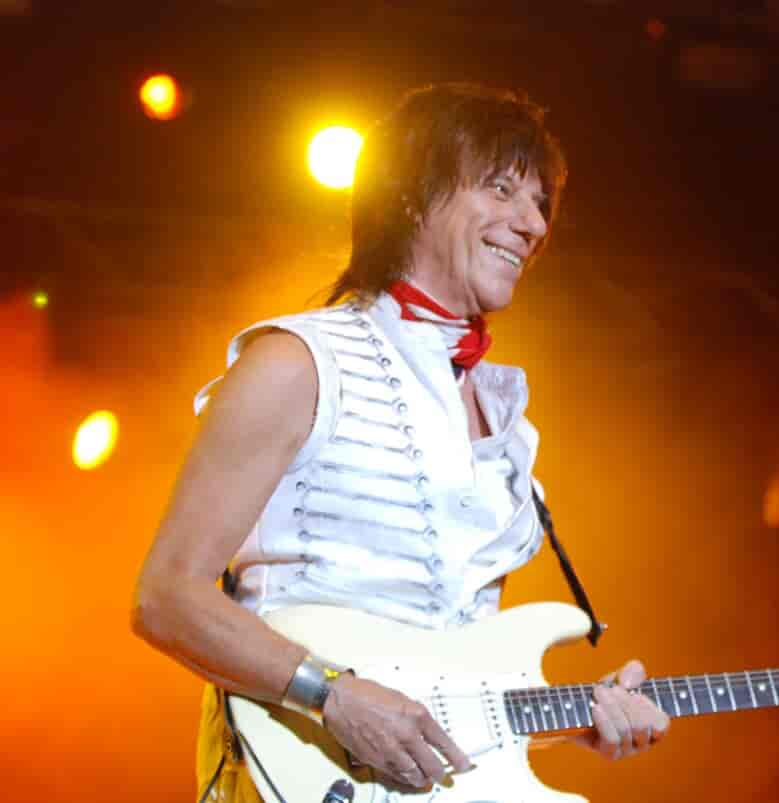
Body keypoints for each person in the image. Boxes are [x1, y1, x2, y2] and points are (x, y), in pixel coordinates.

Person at [132, 82, 670, 801]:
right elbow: (166, 598)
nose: (532, 222)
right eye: (503, 189)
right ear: (414, 195)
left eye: (539, 201)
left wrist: (578, 719)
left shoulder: (503, 421)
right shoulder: (298, 362)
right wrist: (336, 695)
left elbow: (449, 681)